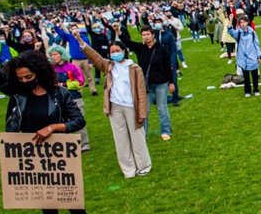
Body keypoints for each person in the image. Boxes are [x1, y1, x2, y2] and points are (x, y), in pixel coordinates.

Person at [0, 48, 96, 214]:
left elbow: (78, 120)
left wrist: (53, 127)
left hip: (58, 156)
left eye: (29, 77)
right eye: (20, 78)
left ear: (39, 73)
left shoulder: (59, 94)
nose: (24, 81)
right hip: (32, 158)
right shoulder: (17, 93)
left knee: (73, 203)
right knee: (47, 204)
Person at [72, 32, 152, 178]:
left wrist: (142, 113)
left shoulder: (134, 68)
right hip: (115, 107)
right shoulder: (108, 66)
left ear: (124, 51)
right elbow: (94, 56)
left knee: (137, 137)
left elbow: (141, 92)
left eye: (117, 51)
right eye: (112, 52)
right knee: (120, 139)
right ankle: (128, 169)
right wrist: (79, 40)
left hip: (131, 106)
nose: (115, 54)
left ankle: (144, 165)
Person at [117, 25, 175, 141]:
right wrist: (117, 31)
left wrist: (171, 82)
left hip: (161, 83)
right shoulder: (140, 48)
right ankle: (143, 133)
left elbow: (168, 67)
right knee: (145, 109)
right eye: (144, 35)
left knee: (162, 108)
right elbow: (127, 42)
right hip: (145, 84)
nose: (146, 37)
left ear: (153, 35)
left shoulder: (161, 49)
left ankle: (165, 131)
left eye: (148, 34)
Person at [48, 45, 91, 152]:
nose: (53, 57)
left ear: (62, 55)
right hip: (57, 100)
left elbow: (81, 82)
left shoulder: (73, 67)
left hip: (74, 98)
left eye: (55, 54)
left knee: (79, 121)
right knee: (62, 123)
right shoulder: (51, 70)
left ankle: (84, 144)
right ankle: (68, 146)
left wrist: (64, 84)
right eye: (51, 55)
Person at [227, 13, 261, 97]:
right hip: (243, 59)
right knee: (246, 77)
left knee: (255, 76)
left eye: (244, 22)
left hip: (253, 57)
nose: (242, 24)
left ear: (247, 22)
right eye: (240, 23)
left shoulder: (252, 33)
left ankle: (256, 89)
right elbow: (230, 31)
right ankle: (247, 91)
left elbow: (257, 45)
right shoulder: (238, 33)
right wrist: (231, 19)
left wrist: (259, 56)